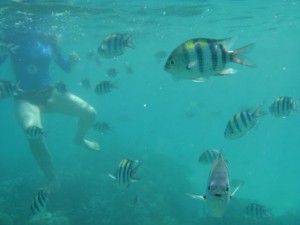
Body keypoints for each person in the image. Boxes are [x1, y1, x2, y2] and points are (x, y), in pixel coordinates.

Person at [0, 16, 99, 188]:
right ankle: (52, 178)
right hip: (24, 96)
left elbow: (65, 67)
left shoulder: (49, 39)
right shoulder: (9, 37)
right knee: (34, 132)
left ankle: (79, 139)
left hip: (51, 92)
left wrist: (72, 61)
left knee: (90, 113)